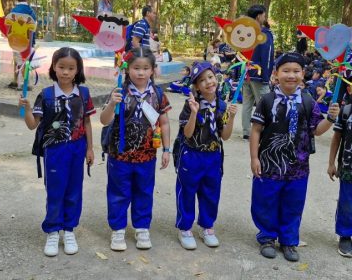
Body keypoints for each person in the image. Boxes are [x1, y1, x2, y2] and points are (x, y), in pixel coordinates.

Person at [249, 52, 340, 262]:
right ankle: (267, 237)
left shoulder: (308, 101)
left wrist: (330, 118)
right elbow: (256, 130)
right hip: (269, 165)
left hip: (298, 167)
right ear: (276, 73)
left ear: (303, 73)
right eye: (286, 71)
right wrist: (254, 158)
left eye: (296, 71)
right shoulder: (267, 100)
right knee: (265, 201)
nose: (291, 75)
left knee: (293, 204)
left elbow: (316, 130)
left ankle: (289, 240)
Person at [19, 47, 95, 257]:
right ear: (53, 67)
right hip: (54, 150)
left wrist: (90, 148)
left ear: (78, 70)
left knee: (74, 190)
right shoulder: (46, 95)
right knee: (55, 191)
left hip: (77, 149)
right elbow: (32, 125)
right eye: (61, 67)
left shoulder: (83, 94)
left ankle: (69, 230)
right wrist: (26, 109)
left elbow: (87, 122)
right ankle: (53, 230)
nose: (65, 72)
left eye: (71, 68)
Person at [100, 47, 171, 251]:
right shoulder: (119, 92)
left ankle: (142, 228)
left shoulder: (158, 94)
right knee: (118, 193)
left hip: (147, 156)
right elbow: (104, 120)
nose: (140, 72)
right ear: (127, 69)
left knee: (144, 192)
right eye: (136, 68)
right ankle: (118, 230)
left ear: (152, 70)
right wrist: (112, 105)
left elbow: (164, 123)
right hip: (119, 156)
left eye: (145, 68)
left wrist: (167, 149)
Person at [175, 61, 237, 250]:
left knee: (211, 192)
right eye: (202, 80)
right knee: (187, 191)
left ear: (216, 78)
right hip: (191, 155)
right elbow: (187, 133)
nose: (208, 82)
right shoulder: (190, 105)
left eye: (210, 77)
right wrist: (194, 113)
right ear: (196, 86)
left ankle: (207, 226)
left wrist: (232, 118)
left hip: (213, 157)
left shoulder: (221, 106)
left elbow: (224, 136)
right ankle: (185, 228)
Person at [241, 5, 275, 141]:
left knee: (247, 103)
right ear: (258, 16)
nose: (265, 17)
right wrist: (266, 76)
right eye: (264, 15)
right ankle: (264, 131)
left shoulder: (244, 31)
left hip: (246, 71)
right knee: (266, 104)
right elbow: (267, 56)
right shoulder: (264, 34)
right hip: (259, 74)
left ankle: (246, 131)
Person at [328, 100, 352, 257]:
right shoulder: (346, 111)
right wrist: (331, 163)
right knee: (347, 202)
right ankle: (345, 234)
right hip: (348, 168)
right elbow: (337, 138)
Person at [8, 0, 37, 90]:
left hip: (15, 41)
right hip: (28, 40)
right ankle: (25, 83)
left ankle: (16, 80)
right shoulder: (30, 11)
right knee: (26, 61)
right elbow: (33, 26)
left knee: (17, 61)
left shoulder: (13, 11)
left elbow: (9, 26)